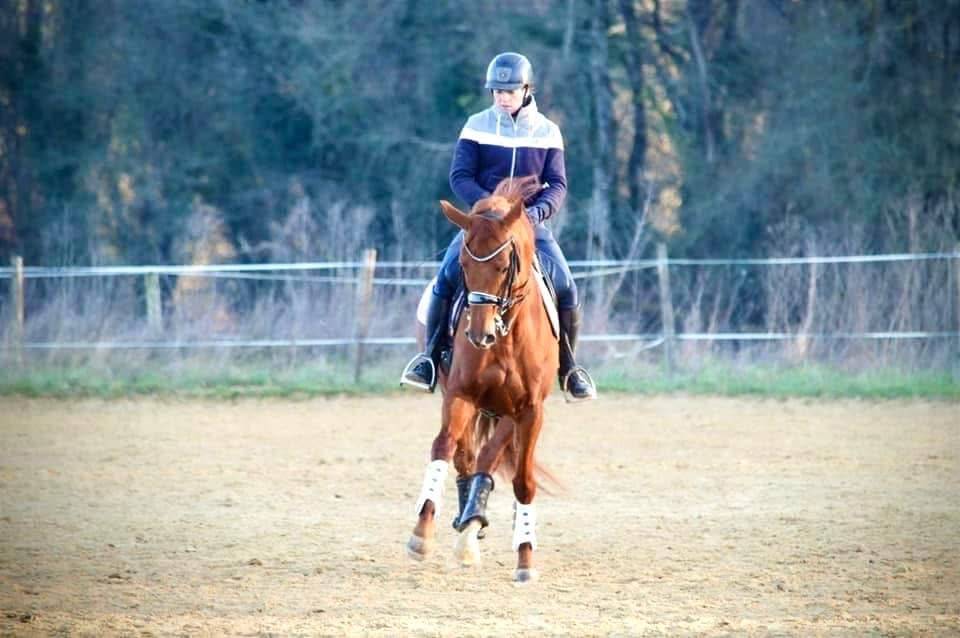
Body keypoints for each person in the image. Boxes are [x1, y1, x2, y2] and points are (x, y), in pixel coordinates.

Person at [401, 51, 596, 402]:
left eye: (509, 91)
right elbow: (460, 176)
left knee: (566, 287)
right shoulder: (476, 125)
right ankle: (428, 359)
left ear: (526, 89)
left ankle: (569, 368)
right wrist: (488, 211)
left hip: (529, 226)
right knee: (445, 278)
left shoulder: (548, 131)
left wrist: (533, 215)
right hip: (482, 226)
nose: (502, 98)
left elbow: (557, 185)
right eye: (497, 91)